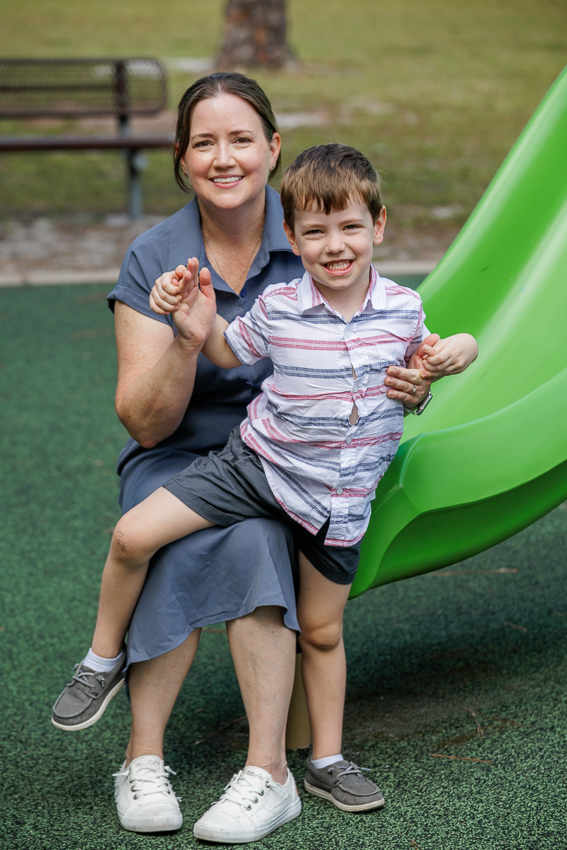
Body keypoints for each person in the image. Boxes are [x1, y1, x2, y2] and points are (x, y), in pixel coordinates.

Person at [53, 136, 477, 841]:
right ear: (292, 237)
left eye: (348, 228)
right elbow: (227, 349)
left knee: (321, 630)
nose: (333, 245)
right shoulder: (280, 306)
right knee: (132, 535)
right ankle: (101, 660)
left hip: (335, 504)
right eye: (314, 231)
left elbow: (435, 356)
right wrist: (195, 323)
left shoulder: (402, 309)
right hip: (252, 468)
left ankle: (326, 760)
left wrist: (453, 353)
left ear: (379, 226)